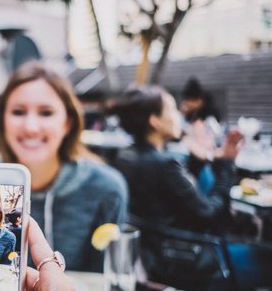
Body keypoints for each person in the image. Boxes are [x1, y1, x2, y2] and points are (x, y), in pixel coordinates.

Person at [111, 86, 272, 289]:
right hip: (195, 260)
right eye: (171, 109)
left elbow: (176, 201)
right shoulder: (164, 164)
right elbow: (211, 215)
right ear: (155, 121)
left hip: (158, 258)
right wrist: (227, 164)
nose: (180, 114)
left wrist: (199, 161)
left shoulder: (128, 156)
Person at [0, 61, 128, 272]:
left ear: (68, 122)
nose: (31, 127)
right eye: (18, 112)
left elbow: (104, 279)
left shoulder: (106, 188)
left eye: (46, 113)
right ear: (2, 121)